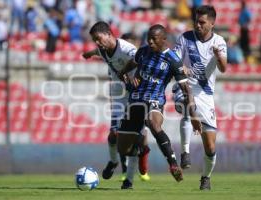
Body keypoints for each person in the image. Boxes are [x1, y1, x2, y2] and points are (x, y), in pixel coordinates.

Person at [117, 24, 202, 189]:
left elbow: (187, 89)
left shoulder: (173, 59)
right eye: (148, 38)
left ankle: (173, 164)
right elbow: (130, 65)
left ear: (164, 39)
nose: (149, 42)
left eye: (153, 39)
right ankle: (131, 175)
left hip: (155, 99)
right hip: (135, 98)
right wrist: (124, 75)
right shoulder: (143, 52)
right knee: (124, 148)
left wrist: (193, 115)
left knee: (153, 123)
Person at [82, 21, 150, 182]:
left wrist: (136, 78)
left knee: (137, 139)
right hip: (119, 94)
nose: (98, 43)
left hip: (135, 93)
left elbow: (143, 62)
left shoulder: (128, 49)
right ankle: (113, 162)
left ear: (109, 34)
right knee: (113, 134)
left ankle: (132, 176)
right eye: (95, 40)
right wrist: (89, 54)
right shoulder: (103, 49)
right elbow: (98, 51)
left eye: (99, 38)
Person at [172, 5, 227, 190]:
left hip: (205, 94)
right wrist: (182, 68)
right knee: (189, 107)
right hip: (184, 86)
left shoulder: (219, 42)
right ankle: (185, 152)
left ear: (212, 23)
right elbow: (175, 60)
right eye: (196, 21)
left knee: (210, 148)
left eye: (202, 22)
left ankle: (205, 177)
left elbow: (224, 68)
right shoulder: (185, 38)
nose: (198, 25)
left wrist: (219, 57)